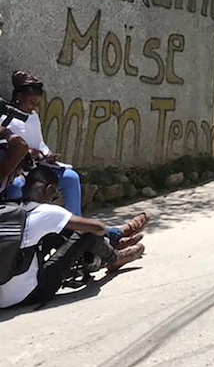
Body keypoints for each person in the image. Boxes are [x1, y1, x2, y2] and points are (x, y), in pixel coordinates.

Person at [0, 166, 147, 309]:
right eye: (55, 194)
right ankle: (114, 258)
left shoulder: (12, 209)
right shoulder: (47, 212)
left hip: (2, 298)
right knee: (87, 234)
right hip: (31, 293)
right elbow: (98, 228)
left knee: (57, 233)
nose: (54, 198)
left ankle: (109, 246)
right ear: (49, 189)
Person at [4, 71, 82, 215]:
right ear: (19, 97)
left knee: (71, 177)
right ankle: (18, 225)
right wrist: (25, 154)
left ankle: (74, 225)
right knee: (16, 185)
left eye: (37, 103)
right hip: (16, 170)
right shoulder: (5, 118)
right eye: (32, 102)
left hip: (38, 167)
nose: (34, 107)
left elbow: (39, 143)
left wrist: (47, 154)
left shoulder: (33, 117)